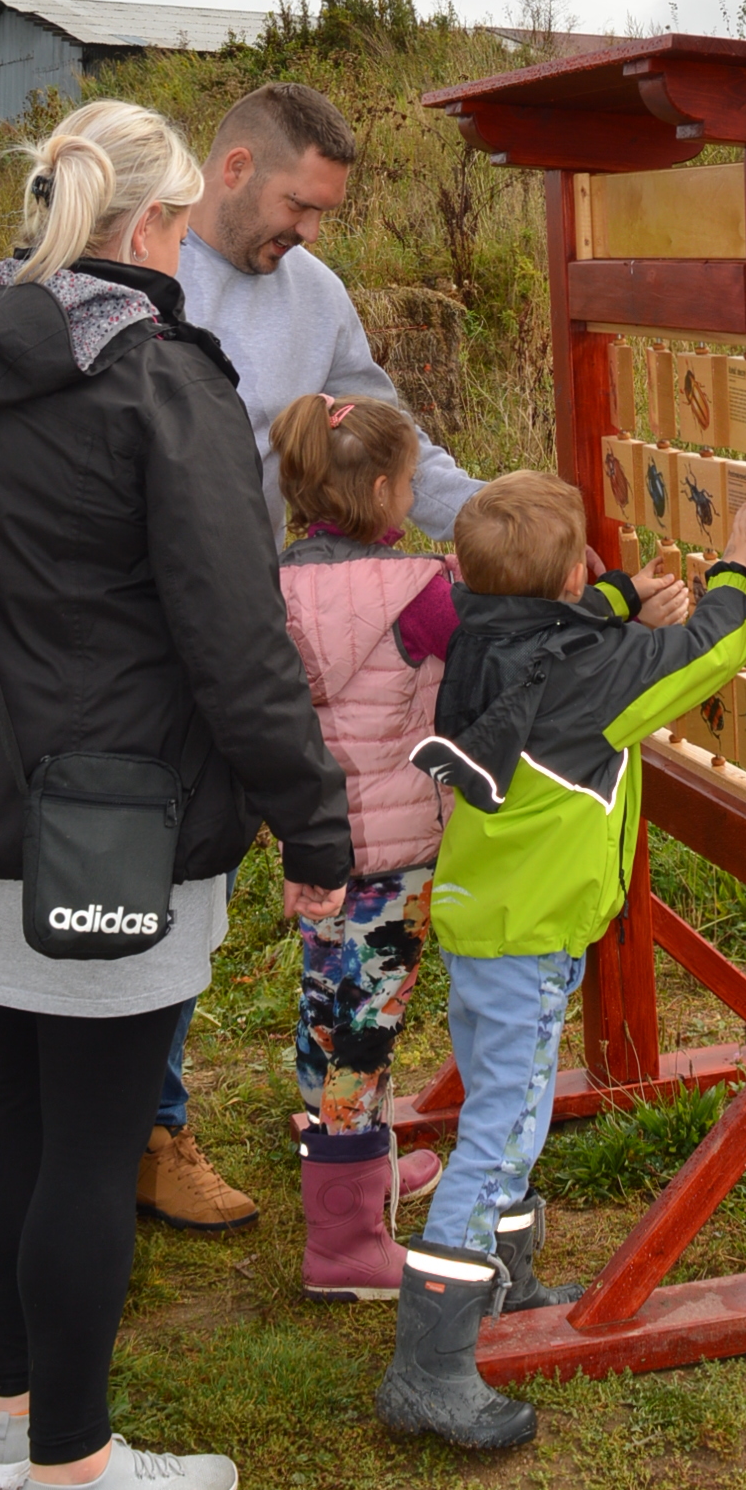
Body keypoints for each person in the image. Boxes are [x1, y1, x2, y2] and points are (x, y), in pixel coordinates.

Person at [0, 99, 353, 1490]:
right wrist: (313, 824)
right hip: (108, 826)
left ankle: (14, 1418)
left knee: (13, 1106)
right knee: (93, 1138)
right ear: (153, 229)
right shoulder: (161, 380)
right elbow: (234, 634)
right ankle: (71, 1476)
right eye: (183, 232)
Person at [140, 78, 483, 1235]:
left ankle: (294, 1119)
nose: (310, 231)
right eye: (299, 202)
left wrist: (492, 520)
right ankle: (149, 1127)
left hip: (267, 624)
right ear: (232, 168)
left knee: (253, 882)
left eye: (325, 211)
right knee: (152, 867)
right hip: (143, 627)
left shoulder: (315, 292)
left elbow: (383, 434)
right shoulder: (143, 268)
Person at [375, 470, 746, 1452]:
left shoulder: (481, 627)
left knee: (518, 1109)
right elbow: (704, 655)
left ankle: (503, 1288)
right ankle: (428, 1368)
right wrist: (739, 572)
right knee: (498, 1133)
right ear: (562, 577)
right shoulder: (587, 675)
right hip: (528, 935)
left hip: (486, 920)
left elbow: (571, 622)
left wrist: (624, 594)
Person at [271, 390, 462, 1299]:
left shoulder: (271, 584)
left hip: (317, 853)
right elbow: (490, 646)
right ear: (385, 489)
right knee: (365, 1036)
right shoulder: (421, 595)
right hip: (395, 860)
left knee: (331, 1019)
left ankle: (363, 1174)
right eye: (413, 481)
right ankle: (342, 1246)